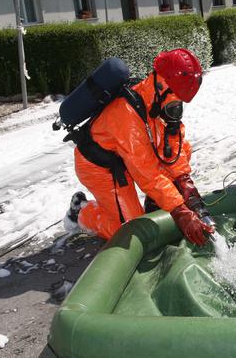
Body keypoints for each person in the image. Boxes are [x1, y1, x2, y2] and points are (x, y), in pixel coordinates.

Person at [64, 49, 214, 246]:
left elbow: (173, 148)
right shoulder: (127, 114)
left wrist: (184, 180)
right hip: (100, 168)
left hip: (126, 158)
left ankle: (155, 202)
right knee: (129, 230)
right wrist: (179, 210)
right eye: (175, 100)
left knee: (179, 157)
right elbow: (146, 172)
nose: (177, 108)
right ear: (162, 85)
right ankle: (81, 212)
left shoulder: (156, 102)